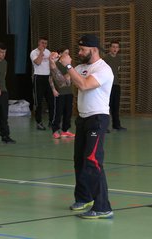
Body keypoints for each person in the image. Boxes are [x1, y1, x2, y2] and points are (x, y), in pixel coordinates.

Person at [60, 34, 113, 219]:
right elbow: (63, 81)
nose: (80, 52)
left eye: (83, 49)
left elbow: (83, 85)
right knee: (80, 161)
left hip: (97, 119)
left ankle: (103, 206)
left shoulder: (103, 69)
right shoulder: (80, 67)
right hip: (82, 119)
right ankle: (84, 198)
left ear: (94, 49)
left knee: (93, 161)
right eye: (79, 49)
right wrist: (53, 65)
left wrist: (68, 65)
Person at [49, 48, 75, 139]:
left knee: (68, 112)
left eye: (68, 53)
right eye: (66, 53)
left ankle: (65, 131)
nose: (68, 55)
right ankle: (55, 130)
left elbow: (69, 80)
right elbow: (51, 78)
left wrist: (69, 78)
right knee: (58, 112)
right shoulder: (56, 65)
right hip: (59, 92)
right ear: (60, 54)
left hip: (68, 92)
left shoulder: (69, 66)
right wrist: (53, 90)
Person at [30, 37, 54, 130]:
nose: (44, 45)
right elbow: (38, 62)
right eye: (42, 43)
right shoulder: (34, 52)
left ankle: (51, 122)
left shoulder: (48, 52)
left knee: (51, 101)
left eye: (46, 43)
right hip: (38, 77)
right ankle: (39, 123)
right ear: (39, 43)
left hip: (47, 77)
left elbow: (52, 64)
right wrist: (41, 52)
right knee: (38, 102)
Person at [103, 40, 127, 131]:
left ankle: (116, 125)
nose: (115, 49)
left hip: (116, 84)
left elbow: (118, 69)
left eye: (116, 47)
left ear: (119, 49)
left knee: (115, 106)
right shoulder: (105, 59)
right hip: (107, 86)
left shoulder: (119, 58)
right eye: (113, 47)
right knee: (106, 106)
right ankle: (105, 126)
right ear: (110, 48)